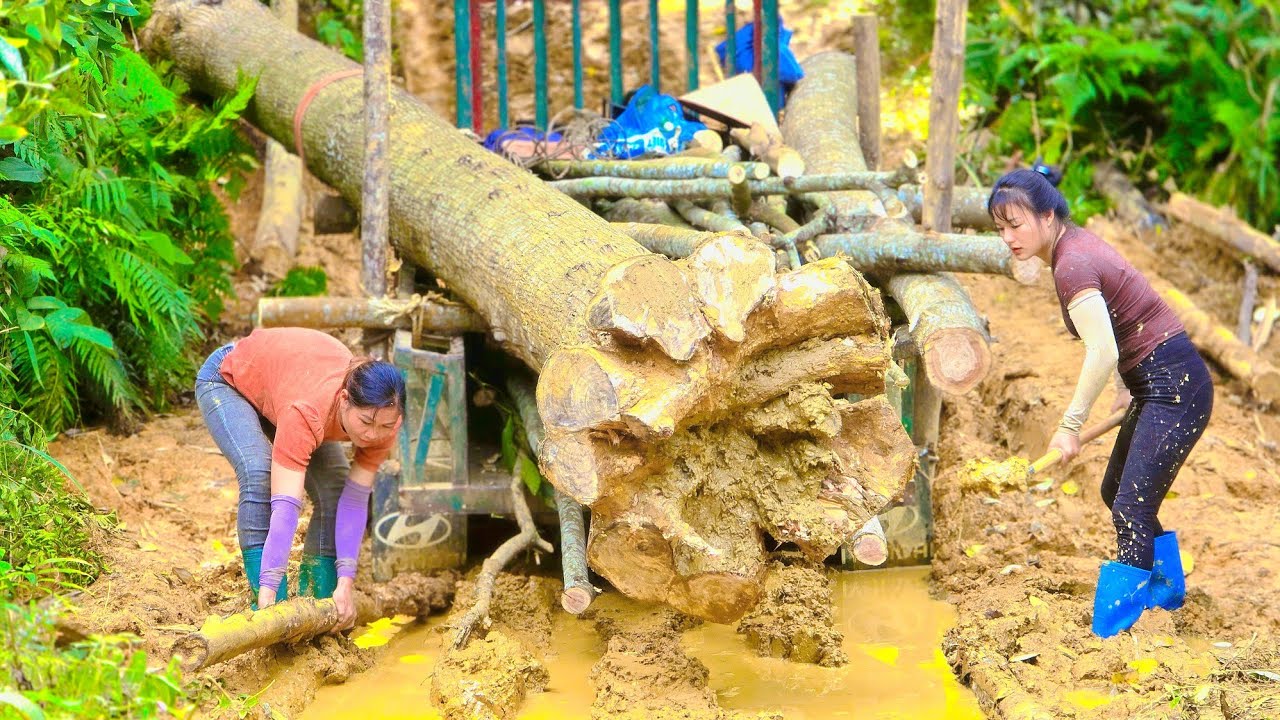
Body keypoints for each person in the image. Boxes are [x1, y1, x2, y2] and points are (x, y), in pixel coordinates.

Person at [988, 166, 1214, 638]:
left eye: (1016, 224)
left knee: (1131, 506)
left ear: (1048, 215)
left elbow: (1104, 348)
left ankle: (1117, 633)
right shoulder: (1070, 249)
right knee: (1117, 492)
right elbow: (1122, 327)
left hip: (1175, 386)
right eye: (1000, 228)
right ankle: (1166, 594)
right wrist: (1123, 388)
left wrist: (1070, 426)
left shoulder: (1071, 263)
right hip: (1155, 384)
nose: (1008, 237)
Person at [194, 327, 404, 626]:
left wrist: (346, 582)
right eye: (366, 422)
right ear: (345, 399)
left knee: (334, 487)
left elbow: (354, 501)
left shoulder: (385, 421)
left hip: (288, 388)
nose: (372, 435)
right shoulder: (309, 411)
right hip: (231, 380)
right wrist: (270, 583)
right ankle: (267, 602)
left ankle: (318, 604)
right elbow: (287, 506)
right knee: (259, 472)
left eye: (384, 426)